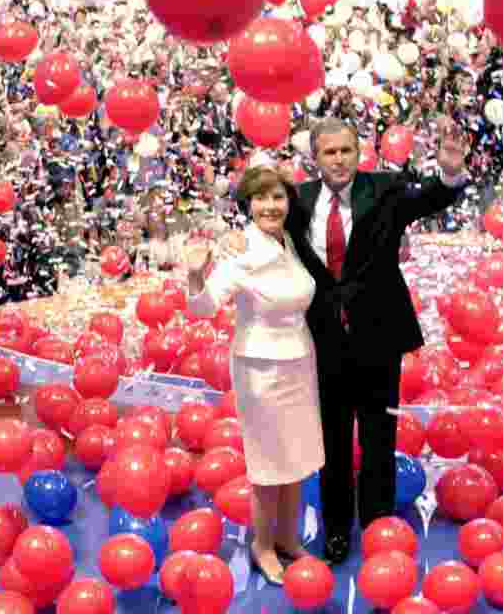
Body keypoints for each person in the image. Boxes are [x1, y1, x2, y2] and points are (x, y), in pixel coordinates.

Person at [231, 117, 470, 564]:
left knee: (380, 436)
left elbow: (431, 199)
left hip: (379, 335)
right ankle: (337, 531)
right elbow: (256, 216)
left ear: (358, 152)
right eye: (329, 152)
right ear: (315, 158)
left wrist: (450, 173)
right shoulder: (296, 201)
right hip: (322, 342)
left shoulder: (384, 188)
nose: (338, 160)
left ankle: (378, 527)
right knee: (332, 443)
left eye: (346, 150)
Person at [185, 166, 323, 585]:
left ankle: (287, 536)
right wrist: (195, 274)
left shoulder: (292, 241)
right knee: (268, 463)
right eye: (261, 199)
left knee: (296, 456)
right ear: (248, 205)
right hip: (261, 367)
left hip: (300, 358)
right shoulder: (241, 252)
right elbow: (205, 308)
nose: (270, 206)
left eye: (277, 197)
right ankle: (263, 545)